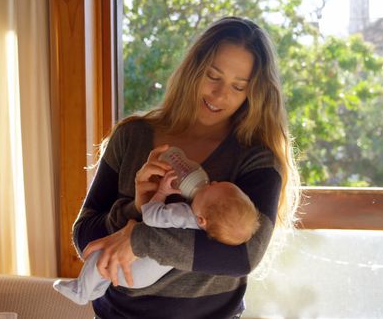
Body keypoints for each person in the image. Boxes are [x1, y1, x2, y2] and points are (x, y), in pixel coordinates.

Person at [71, 16, 300, 319]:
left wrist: (139, 239)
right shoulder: (132, 136)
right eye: (213, 76)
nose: (220, 95)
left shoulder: (255, 158)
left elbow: (243, 255)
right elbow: (84, 236)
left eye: (237, 86)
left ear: (252, 93)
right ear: (193, 69)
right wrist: (137, 208)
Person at [54, 170, 261, 305]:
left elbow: (151, 215)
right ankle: (94, 289)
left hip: (136, 268)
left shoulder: (182, 215)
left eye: (211, 187)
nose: (212, 180)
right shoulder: (206, 232)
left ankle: (81, 291)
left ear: (202, 219)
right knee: (105, 271)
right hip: (144, 276)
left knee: (100, 256)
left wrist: (161, 192)